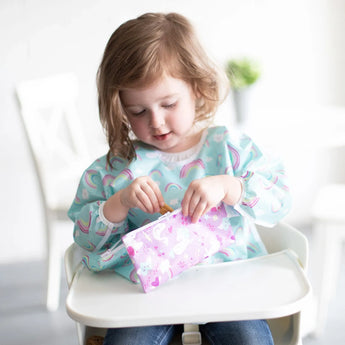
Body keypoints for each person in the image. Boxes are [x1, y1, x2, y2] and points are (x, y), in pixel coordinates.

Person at [68, 12, 291, 345]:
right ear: (119, 108)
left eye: (168, 103)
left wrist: (230, 187)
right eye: (138, 111)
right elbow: (84, 239)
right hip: (144, 296)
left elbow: (280, 200)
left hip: (230, 289)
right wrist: (119, 203)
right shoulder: (113, 169)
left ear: (197, 88)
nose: (156, 122)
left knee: (248, 340)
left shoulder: (229, 149)